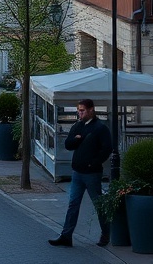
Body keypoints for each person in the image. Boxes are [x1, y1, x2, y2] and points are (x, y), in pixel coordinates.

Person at [49, 98, 112, 248]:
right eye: (78, 110)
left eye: (82, 110)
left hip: (92, 173)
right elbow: (68, 144)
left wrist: (94, 162)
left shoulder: (100, 128)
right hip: (77, 172)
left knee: (98, 204)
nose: (80, 113)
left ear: (91, 110)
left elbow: (107, 148)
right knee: (73, 204)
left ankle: (106, 233)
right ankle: (66, 236)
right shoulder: (78, 125)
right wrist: (76, 140)